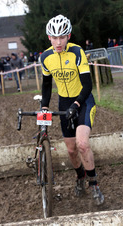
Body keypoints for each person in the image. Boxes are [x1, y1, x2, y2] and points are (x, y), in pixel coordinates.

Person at [40, 14, 104, 205]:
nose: (58, 42)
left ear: (68, 36)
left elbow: (87, 85)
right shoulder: (45, 57)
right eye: (54, 37)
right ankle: (80, 177)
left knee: (82, 144)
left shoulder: (77, 52)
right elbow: (46, 85)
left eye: (62, 37)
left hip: (83, 101)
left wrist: (76, 105)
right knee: (71, 150)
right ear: (49, 37)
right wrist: (44, 106)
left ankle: (94, 183)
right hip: (64, 103)